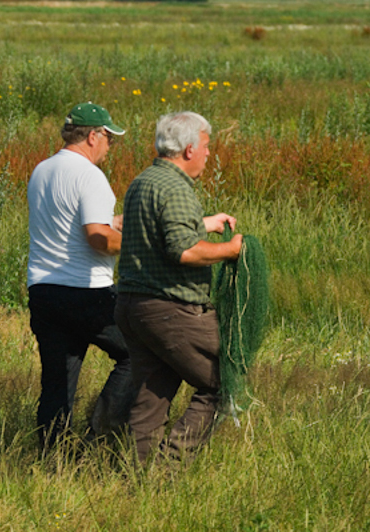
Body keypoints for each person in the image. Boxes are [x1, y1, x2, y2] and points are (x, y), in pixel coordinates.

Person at [114, 111, 243, 464]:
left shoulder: (145, 181)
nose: (208, 154)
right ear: (188, 149)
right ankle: (169, 468)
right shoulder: (176, 188)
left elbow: (160, 232)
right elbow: (183, 250)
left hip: (132, 307)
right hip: (170, 309)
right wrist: (231, 251)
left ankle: (140, 481)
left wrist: (206, 224)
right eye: (205, 146)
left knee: (151, 397)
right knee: (223, 381)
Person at [27, 102, 136, 450]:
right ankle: (98, 435)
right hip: (87, 292)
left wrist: (118, 222)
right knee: (140, 352)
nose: (110, 146)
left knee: (58, 384)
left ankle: (51, 460)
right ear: (93, 136)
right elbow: (97, 238)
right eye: (109, 138)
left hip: (44, 292)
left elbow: (74, 226)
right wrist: (142, 246)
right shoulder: (90, 176)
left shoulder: (42, 171)